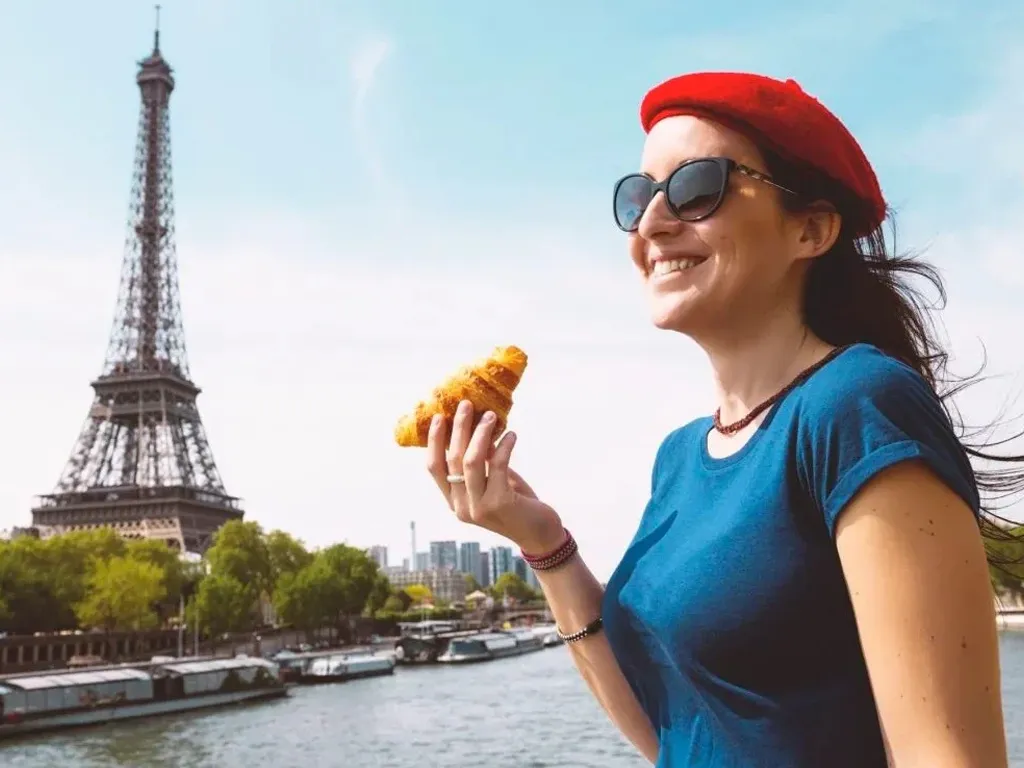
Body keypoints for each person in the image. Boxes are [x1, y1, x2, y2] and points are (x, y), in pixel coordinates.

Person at [425, 71, 1013, 767]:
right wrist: (543, 543)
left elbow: (949, 757)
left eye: (697, 186)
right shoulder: (679, 456)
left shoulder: (857, 407)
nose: (652, 221)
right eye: (637, 195)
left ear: (812, 229)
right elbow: (673, 731)